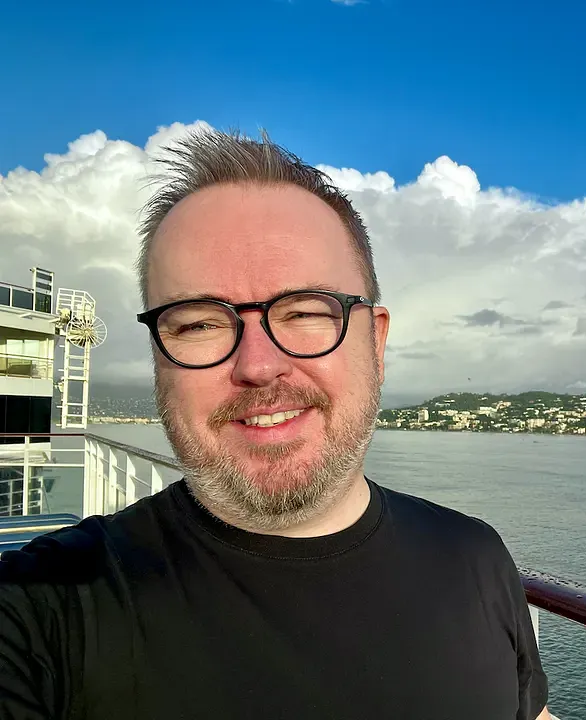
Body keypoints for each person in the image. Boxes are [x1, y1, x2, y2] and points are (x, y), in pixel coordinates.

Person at [0, 128, 551, 720]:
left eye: (306, 312)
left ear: (376, 341)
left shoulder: (476, 558)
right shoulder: (38, 613)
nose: (258, 366)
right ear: (159, 355)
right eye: (199, 324)